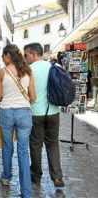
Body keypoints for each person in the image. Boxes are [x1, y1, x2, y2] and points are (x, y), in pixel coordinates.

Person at [0, 44, 36, 198]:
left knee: (7, 147)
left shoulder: (1, 72)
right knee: (23, 151)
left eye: (3, 56)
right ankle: (26, 192)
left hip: (6, 112)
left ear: (8, 55)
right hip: (24, 113)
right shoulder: (28, 72)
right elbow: (33, 97)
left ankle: (6, 177)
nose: (2, 59)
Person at [23, 43, 64, 187]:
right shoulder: (53, 67)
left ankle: (36, 175)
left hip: (36, 113)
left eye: (26, 54)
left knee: (35, 145)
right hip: (53, 111)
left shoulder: (28, 70)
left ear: (33, 54)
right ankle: (57, 177)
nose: (25, 58)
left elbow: (26, 93)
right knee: (53, 144)